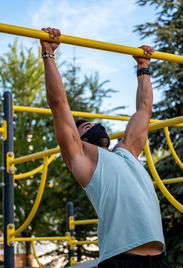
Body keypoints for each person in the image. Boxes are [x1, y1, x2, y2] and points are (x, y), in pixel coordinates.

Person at [40, 27, 173, 268]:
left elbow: (144, 109)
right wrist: (48, 54)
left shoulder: (128, 151)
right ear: (77, 139)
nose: (91, 124)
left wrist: (143, 67)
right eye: (83, 127)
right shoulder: (82, 159)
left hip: (159, 261)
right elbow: (58, 103)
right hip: (121, 260)